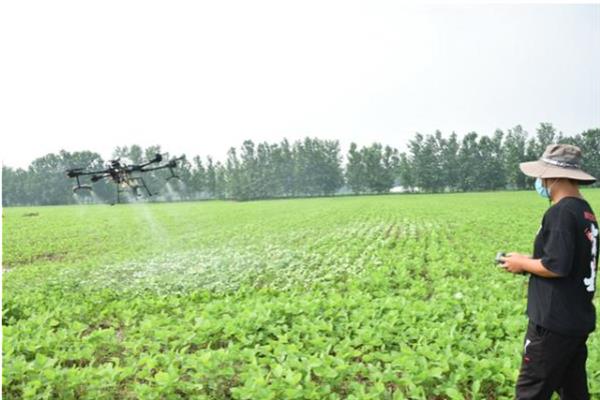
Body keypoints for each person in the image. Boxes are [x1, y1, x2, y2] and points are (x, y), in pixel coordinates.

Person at [500, 144, 598, 399]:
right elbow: (568, 260)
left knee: (530, 392)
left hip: (552, 323)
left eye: (541, 176)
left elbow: (555, 266)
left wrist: (522, 265)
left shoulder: (560, 212)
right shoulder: (584, 211)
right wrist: (526, 260)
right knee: (574, 391)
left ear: (552, 176)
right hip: (574, 320)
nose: (540, 181)